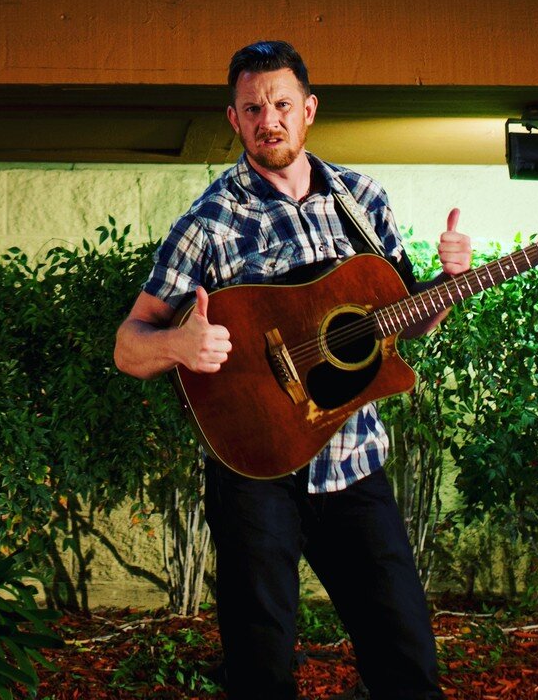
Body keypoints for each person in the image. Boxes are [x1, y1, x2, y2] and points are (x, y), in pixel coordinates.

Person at [114, 40, 472, 700]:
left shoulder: (361, 199)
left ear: (308, 110)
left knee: (408, 661)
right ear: (234, 119)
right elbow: (128, 345)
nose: (268, 118)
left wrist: (449, 284)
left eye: (281, 104)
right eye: (253, 108)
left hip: (352, 464)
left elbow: (403, 323)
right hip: (255, 473)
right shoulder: (209, 224)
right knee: (262, 671)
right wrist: (179, 346)